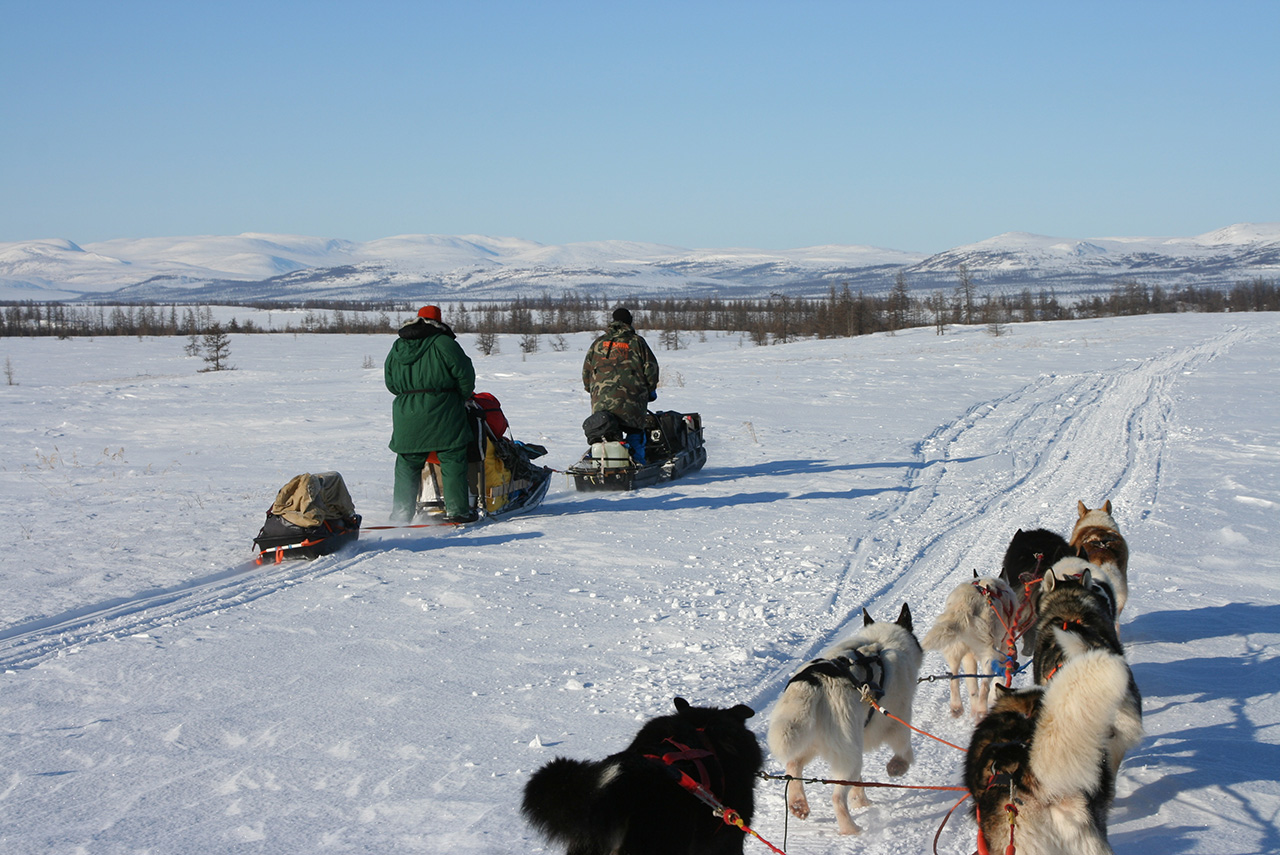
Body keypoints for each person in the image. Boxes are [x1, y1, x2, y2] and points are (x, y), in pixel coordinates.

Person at [385, 305, 478, 523]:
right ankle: (457, 512)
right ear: (438, 321)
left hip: (406, 412)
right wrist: (459, 398)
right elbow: (465, 375)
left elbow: (390, 382)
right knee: (452, 456)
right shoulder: (444, 343)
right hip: (443, 409)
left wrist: (409, 396)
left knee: (407, 462)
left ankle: (400, 514)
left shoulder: (397, 346)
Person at [582, 307, 659, 463]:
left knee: (604, 431)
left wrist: (592, 390)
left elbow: (586, 371)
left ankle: (603, 463)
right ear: (629, 322)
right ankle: (637, 463)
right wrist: (650, 390)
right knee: (635, 431)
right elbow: (651, 369)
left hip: (601, 402)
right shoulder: (637, 342)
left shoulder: (598, 343)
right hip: (632, 400)